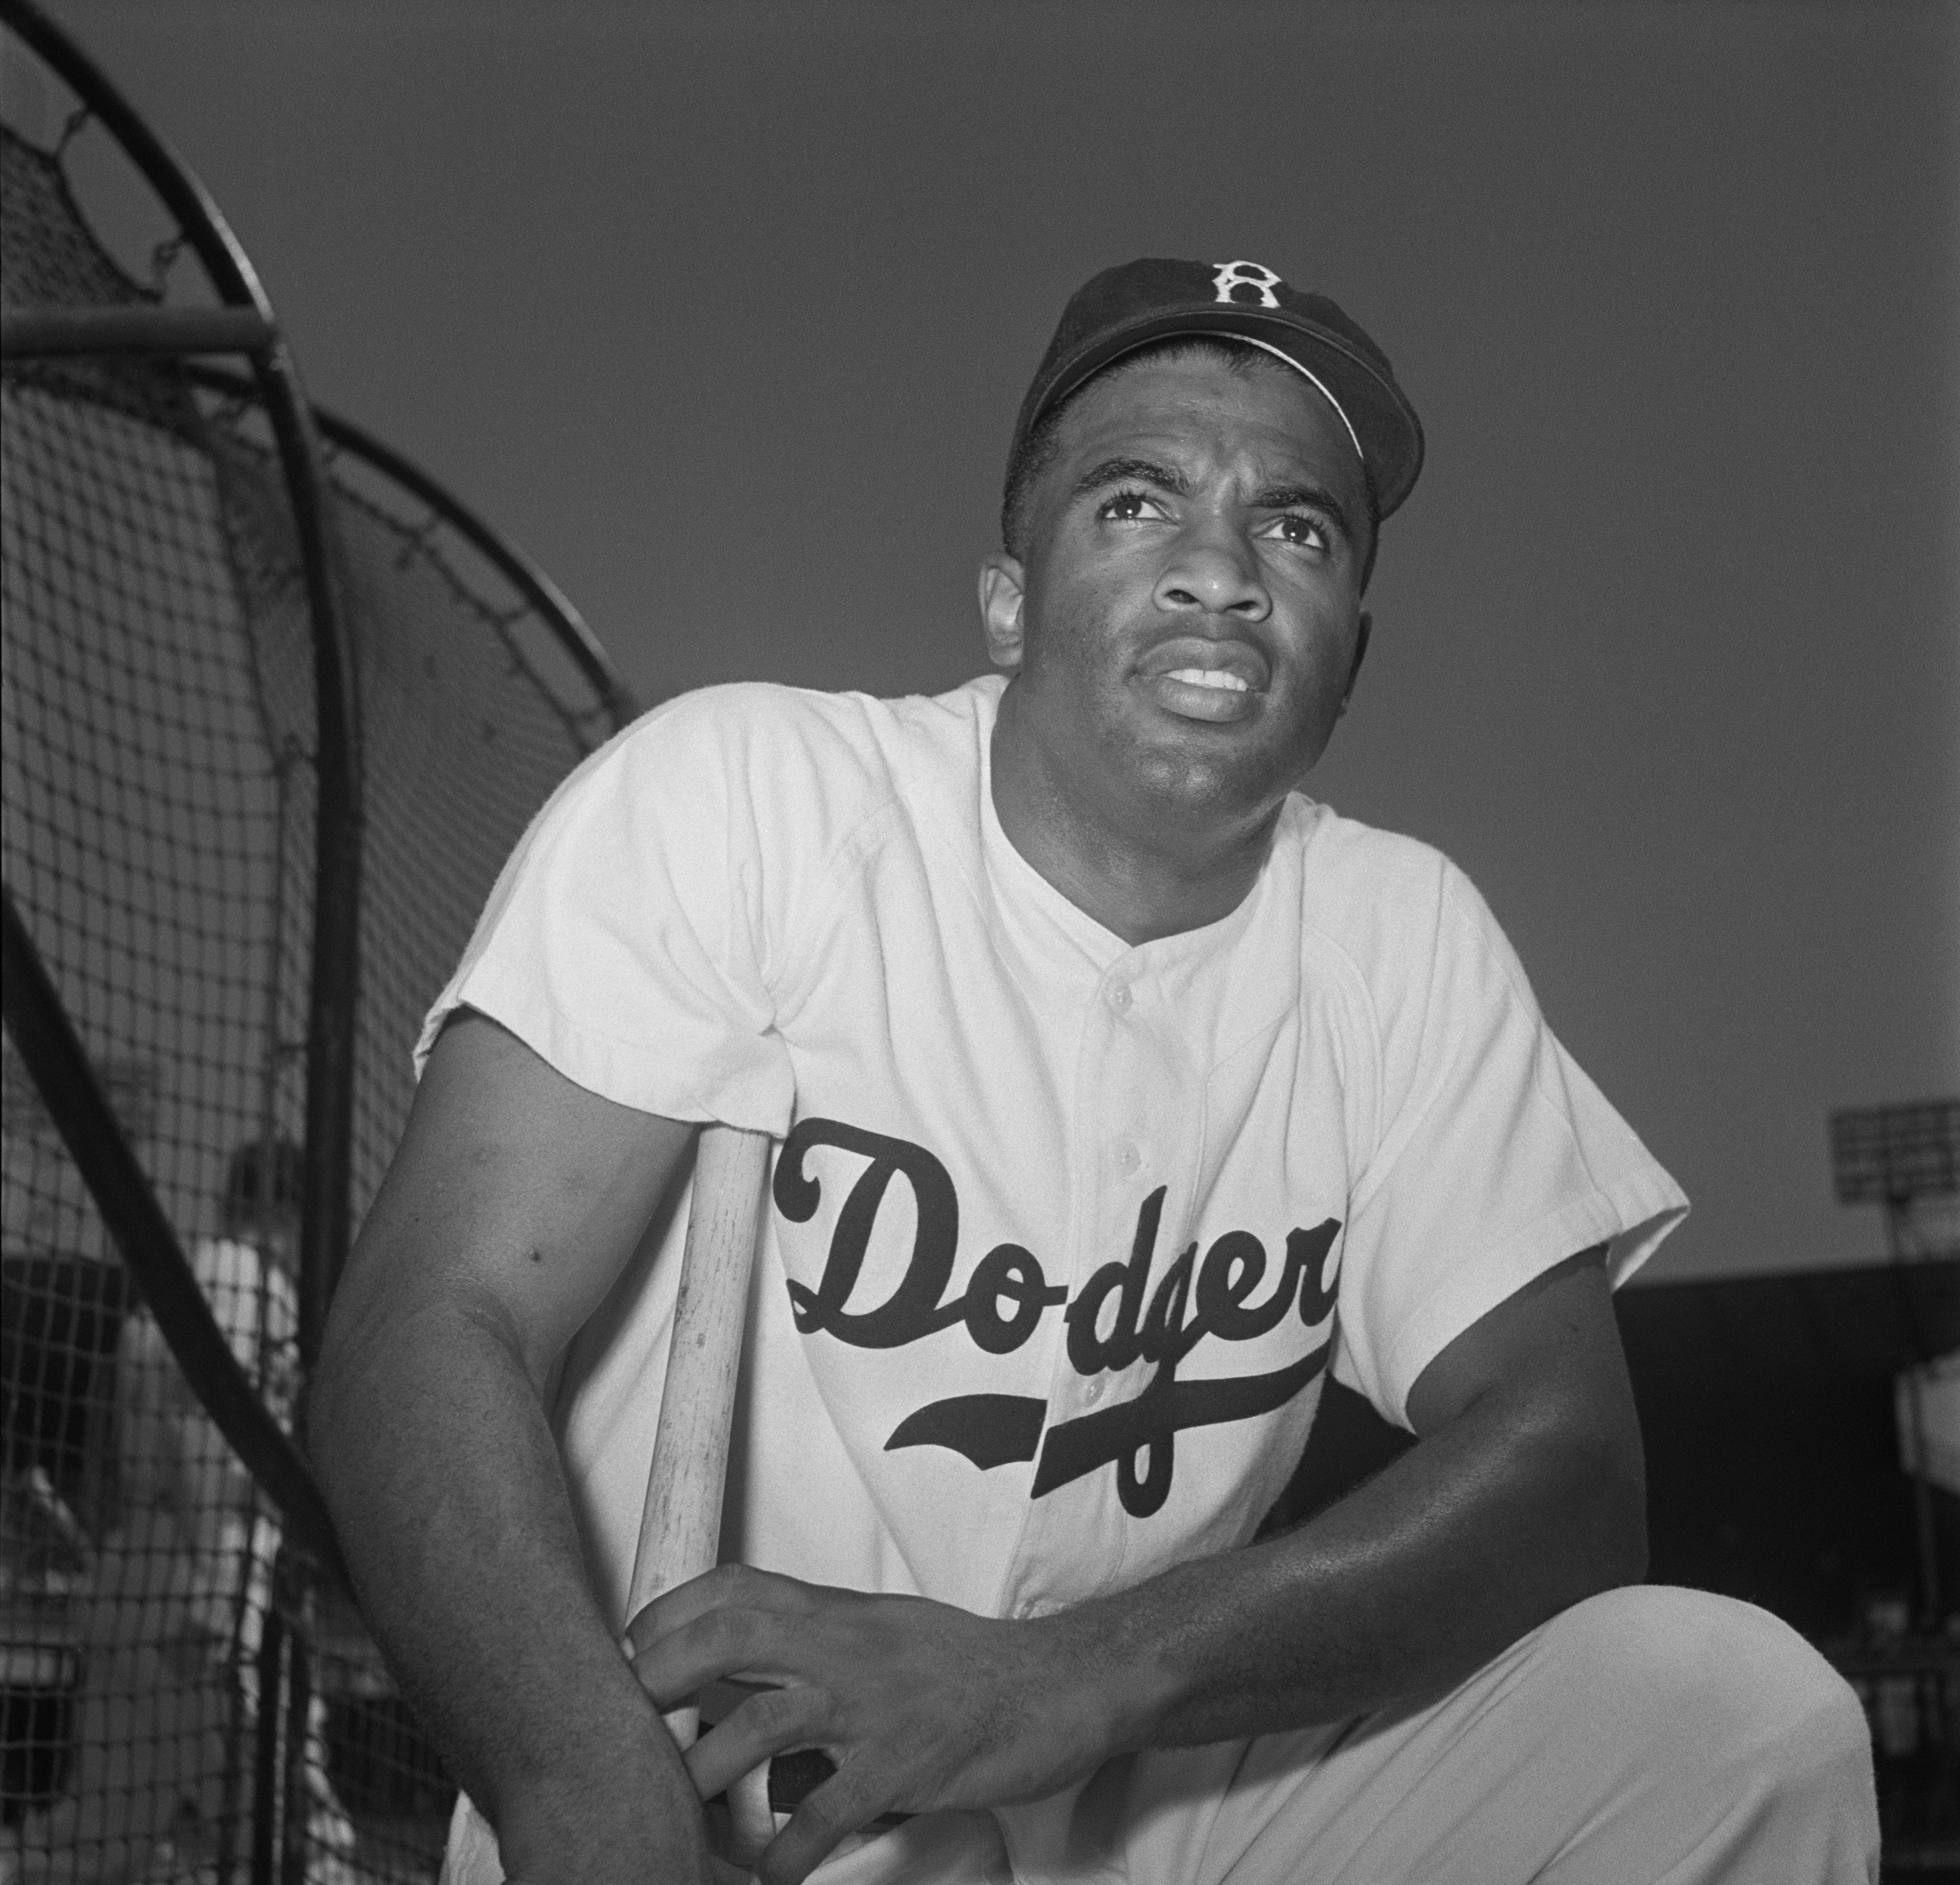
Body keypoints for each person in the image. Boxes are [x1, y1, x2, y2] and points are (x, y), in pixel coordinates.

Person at [311, 257, 1878, 1885]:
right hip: (721, 1782)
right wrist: (589, 1793)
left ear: (1351, 645)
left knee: (1737, 1720)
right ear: (1005, 600)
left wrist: (1060, 1681)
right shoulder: (751, 799)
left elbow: (1567, 1471)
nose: (1222, 570)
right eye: (1136, 503)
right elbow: (427, 1325)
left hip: (1138, 1785)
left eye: (1296, 526)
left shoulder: (1393, 936)